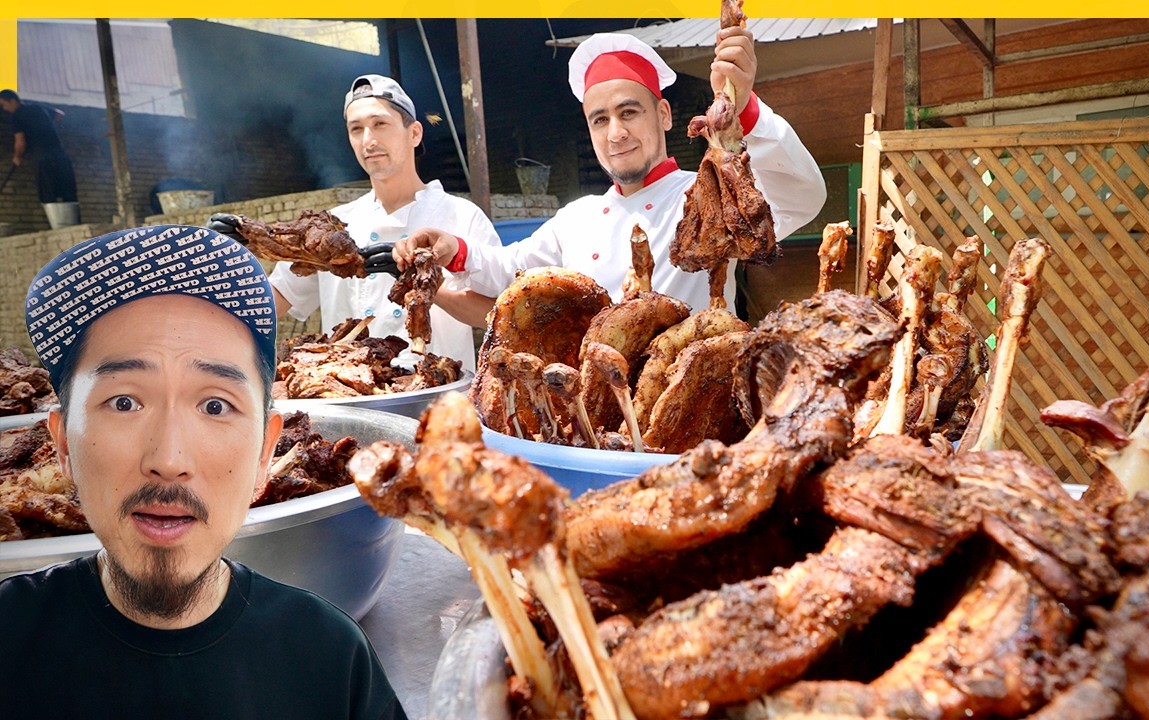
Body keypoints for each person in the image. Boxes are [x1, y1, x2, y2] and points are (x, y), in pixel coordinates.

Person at [3, 225, 407, 719]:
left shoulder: (331, 660)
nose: (169, 460)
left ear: (265, 452)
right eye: (125, 401)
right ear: (63, 444)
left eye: (215, 405)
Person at [393, 30, 825, 314]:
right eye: (600, 119)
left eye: (629, 112)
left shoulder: (704, 195)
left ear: (664, 114)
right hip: (596, 420)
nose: (616, 133)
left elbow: (799, 195)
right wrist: (455, 250)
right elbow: (511, 270)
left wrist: (744, 108)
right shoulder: (577, 217)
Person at [268, 74, 499, 374]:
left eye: (380, 124)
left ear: (414, 133)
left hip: (437, 405)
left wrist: (424, 287)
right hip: (350, 401)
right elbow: (272, 302)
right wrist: (227, 256)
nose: (368, 140)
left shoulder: (461, 217)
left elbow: (495, 314)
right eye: (356, 129)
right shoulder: (336, 228)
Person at [0, 89, 78, 206]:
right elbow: (59, 115)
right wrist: (44, 127)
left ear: (12, 101)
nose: (4, 109)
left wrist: (17, 157)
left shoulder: (16, 117)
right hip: (60, 154)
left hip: (42, 157)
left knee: (47, 192)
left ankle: (57, 223)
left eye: (3, 105)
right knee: (68, 190)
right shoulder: (37, 108)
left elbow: (20, 142)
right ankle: (73, 221)